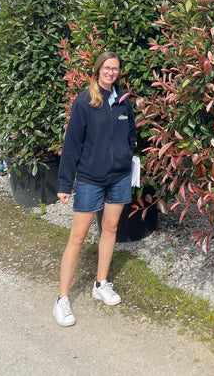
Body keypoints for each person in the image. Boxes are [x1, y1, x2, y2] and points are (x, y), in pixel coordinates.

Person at [53, 51, 136, 327]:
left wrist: (126, 156)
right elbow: (72, 143)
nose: (111, 72)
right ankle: (62, 299)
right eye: (107, 67)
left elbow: (131, 134)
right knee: (77, 237)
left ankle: (101, 283)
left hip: (119, 177)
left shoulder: (123, 101)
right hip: (90, 178)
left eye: (115, 68)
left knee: (110, 229)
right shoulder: (85, 101)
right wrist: (66, 183)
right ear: (98, 69)